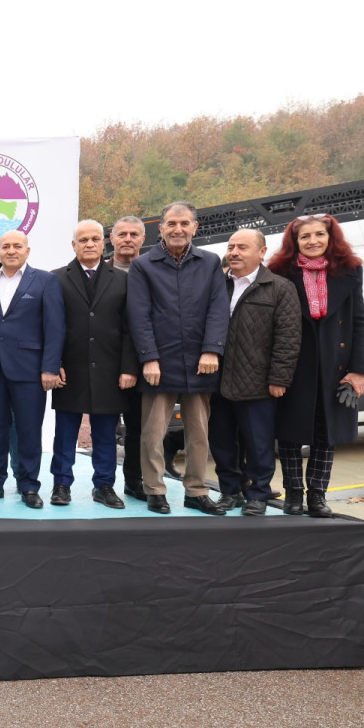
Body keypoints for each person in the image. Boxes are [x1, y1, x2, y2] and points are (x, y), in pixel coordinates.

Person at [126, 202, 229, 516]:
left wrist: (212, 350)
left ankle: (196, 491)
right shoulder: (143, 265)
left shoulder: (210, 262)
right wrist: (149, 358)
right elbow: (139, 315)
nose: (178, 229)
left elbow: (218, 309)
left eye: (184, 223)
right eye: (171, 223)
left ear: (195, 227)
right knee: (153, 433)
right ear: (161, 228)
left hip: (201, 361)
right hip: (160, 362)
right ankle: (155, 490)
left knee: (199, 433)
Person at [268, 214, 364, 517]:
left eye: (319, 235)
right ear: (295, 242)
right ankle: (293, 492)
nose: (313, 241)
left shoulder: (351, 270)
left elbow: (358, 321)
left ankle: (317, 495)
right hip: (293, 365)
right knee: (289, 434)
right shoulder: (279, 273)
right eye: (305, 236)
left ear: (330, 237)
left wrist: (358, 371)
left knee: (327, 434)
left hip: (335, 366)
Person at [208, 228, 301, 516]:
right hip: (216, 380)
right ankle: (229, 491)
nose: (234, 252)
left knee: (259, 443)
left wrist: (279, 378)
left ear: (262, 252)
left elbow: (288, 338)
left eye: (242, 247)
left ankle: (258, 494)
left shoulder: (280, 288)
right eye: (231, 247)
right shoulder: (216, 285)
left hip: (257, 382)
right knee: (221, 441)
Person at [50, 220, 137, 508]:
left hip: (110, 370)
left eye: (95, 239)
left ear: (103, 243)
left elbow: (130, 328)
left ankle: (104, 486)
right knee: (65, 432)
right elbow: (51, 326)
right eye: (83, 240)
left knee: (106, 433)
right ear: (73, 245)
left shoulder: (123, 280)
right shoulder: (56, 279)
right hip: (69, 369)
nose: (89, 244)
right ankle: (61, 484)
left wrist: (128, 368)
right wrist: (54, 363)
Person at [0, 230, 64, 508]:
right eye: (6, 246)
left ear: (27, 250)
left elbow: (55, 327)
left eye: (17, 246)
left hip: (31, 369)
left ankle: (28, 486)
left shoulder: (45, 280)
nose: (11, 251)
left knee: (28, 430)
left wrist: (50, 367)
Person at [108, 216, 146, 499]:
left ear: (143, 239)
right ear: (112, 238)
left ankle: (134, 481)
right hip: (107, 362)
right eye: (122, 234)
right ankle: (104, 484)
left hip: (145, 363)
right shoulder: (99, 272)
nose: (128, 239)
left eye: (134, 234)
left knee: (139, 428)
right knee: (106, 428)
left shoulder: (153, 271)